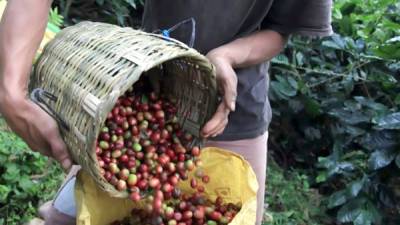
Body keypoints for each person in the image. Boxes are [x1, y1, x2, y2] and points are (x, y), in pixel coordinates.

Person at [0, 0, 332, 225]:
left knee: (229, 207)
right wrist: (11, 94)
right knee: (74, 212)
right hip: (145, 86)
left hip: (236, 107)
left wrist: (227, 56)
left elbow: (278, 30)